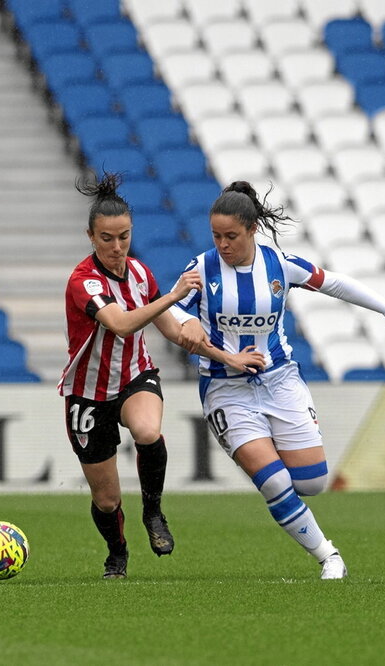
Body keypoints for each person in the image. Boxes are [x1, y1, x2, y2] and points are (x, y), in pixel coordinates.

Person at [170, 181, 385, 579]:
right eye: (216, 236)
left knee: (312, 482)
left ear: (252, 230)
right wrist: (188, 318)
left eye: (231, 236)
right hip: (226, 389)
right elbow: (169, 308)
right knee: (274, 481)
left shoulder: (279, 264)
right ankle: (329, 556)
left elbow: (333, 282)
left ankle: (289, 499)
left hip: (280, 381)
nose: (223, 244)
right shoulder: (201, 268)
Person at [58, 173, 263, 579]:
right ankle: (117, 553)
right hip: (87, 393)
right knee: (106, 499)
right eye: (106, 239)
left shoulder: (139, 274)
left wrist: (229, 357)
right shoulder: (84, 282)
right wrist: (172, 295)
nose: (117, 248)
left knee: (148, 432)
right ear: (90, 236)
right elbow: (121, 324)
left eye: (124, 237)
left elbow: (173, 331)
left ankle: (153, 511)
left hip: (136, 376)